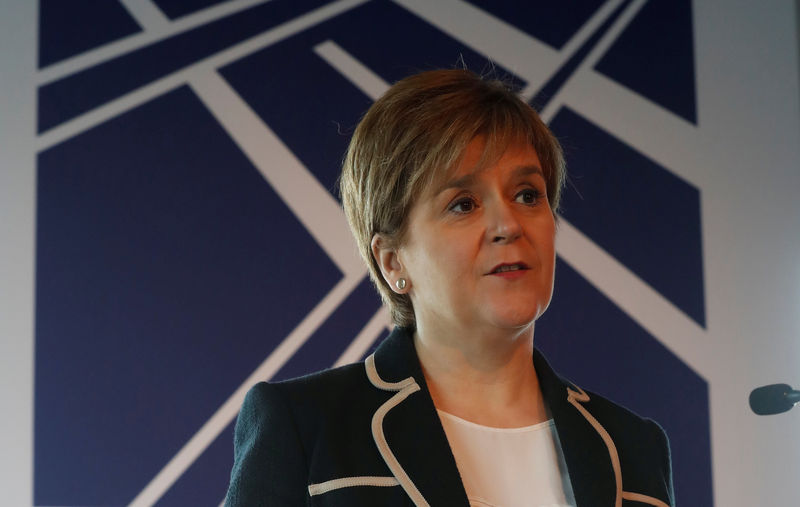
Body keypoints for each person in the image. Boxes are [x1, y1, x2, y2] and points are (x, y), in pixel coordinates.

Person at [224, 69, 674, 507]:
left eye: (527, 195)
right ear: (392, 260)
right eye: (464, 204)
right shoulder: (306, 428)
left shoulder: (634, 448)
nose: (508, 224)